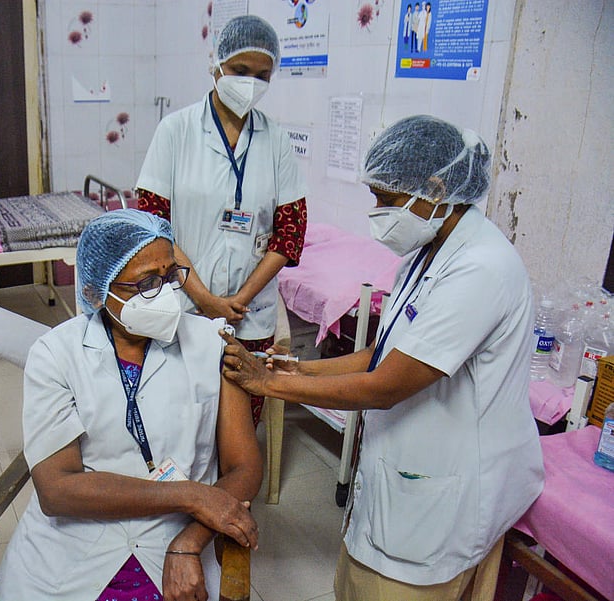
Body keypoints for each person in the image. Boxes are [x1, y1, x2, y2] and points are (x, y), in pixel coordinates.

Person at [221, 115, 544, 600]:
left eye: (386, 200)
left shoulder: (481, 269)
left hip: (446, 493)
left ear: (436, 188)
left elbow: (386, 385)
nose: (377, 211)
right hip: (398, 477)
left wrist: (269, 385)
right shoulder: (426, 250)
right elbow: (383, 352)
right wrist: (296, 366)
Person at [0, 209, 262, 601]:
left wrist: (190, 539)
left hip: (172, 538)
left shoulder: (214, 341)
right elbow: (57, 490)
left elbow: (245, 465)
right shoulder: (55, 353)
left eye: (171, 276)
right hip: (72, 549)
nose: (167, 293)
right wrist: (191, 495)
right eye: (147, 283)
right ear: (95, 291)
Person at [136, 14, 307, 427]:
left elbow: (290, 232)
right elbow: (153, 226)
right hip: (186, 304)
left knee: (240, 423)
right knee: (182, 417)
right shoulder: (175, 131)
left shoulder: (277, 140)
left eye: (262, 75)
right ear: (216, 65)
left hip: (252, 312)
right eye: (240, 71)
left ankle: (234, 491)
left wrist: (240, 300)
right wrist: (206, 300)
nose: (250, 83)